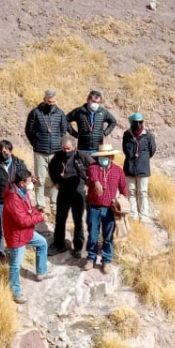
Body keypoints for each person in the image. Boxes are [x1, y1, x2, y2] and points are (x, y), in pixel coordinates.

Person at [2, 168, 54, 304]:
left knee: (42, 243)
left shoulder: (22, 192)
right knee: (15, 265)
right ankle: (16, 292)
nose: (32, 183)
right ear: (21, 183)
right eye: (30, 181)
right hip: (17, 235)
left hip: (26, 232)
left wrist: (38, 212)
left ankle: (41, 273)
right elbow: (22, 221)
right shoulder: (13, 198)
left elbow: (29, 210)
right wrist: (40, 218)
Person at [83, 143, 128, 273]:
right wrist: (96, 183)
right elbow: (92, 177)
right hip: (94, 207)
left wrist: (121, 202)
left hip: (110, 209)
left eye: (106, 156)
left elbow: (124, 189)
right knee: (93, 235)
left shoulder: (118, 171)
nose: (103, 159)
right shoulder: (93, 167)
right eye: (101, 156)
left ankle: (106, 260)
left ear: (111, 157)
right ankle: (91, 258)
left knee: (108, 237)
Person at [0, 140, 30, 257]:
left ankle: (16, 251)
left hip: (16, 202)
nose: (3, 153)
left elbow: (26, 181)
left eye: (5, 150)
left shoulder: (19, 163)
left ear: (10, 150)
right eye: (1, 150)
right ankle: (0, 254)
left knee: (18, 226)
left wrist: (26, 201)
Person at [24, 89, 68, 213]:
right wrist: (36, 143)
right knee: (39, 179)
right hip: (40, 151)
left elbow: (63, 131)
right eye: (49, 101)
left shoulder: (60, 114)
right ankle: (40, 205)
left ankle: (54, 205)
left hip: (56, 152)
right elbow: (29, 130)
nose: (51, 104)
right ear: (44, 99)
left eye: (53, 102)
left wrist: (59, 145)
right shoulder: (35, 112)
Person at [47, 137, 90, 257]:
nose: (66, 151)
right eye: (64, 148)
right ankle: (59, 244)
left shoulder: (82, 156)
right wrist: (56, 181)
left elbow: (93, 168)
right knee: (60, 219)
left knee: (78, 220)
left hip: (78, 191)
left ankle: (78, 247)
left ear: (74, 147)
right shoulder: (58, 156)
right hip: (63, 191)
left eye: (68, 149)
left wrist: (88, 184)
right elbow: (51, 168)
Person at [122, 112, 156, 222]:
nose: (138, 124)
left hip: (143, 168)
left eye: (140, 122)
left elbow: (152, 150)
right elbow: (125, 150)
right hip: (129, 168)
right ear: (131, 122)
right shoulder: (126, 135)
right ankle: (133, 214)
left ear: (143, 122)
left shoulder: (148, 136)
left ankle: (144, 215)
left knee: (143, 192)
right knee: (131, 192)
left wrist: (143, 159)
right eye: (136, 122)